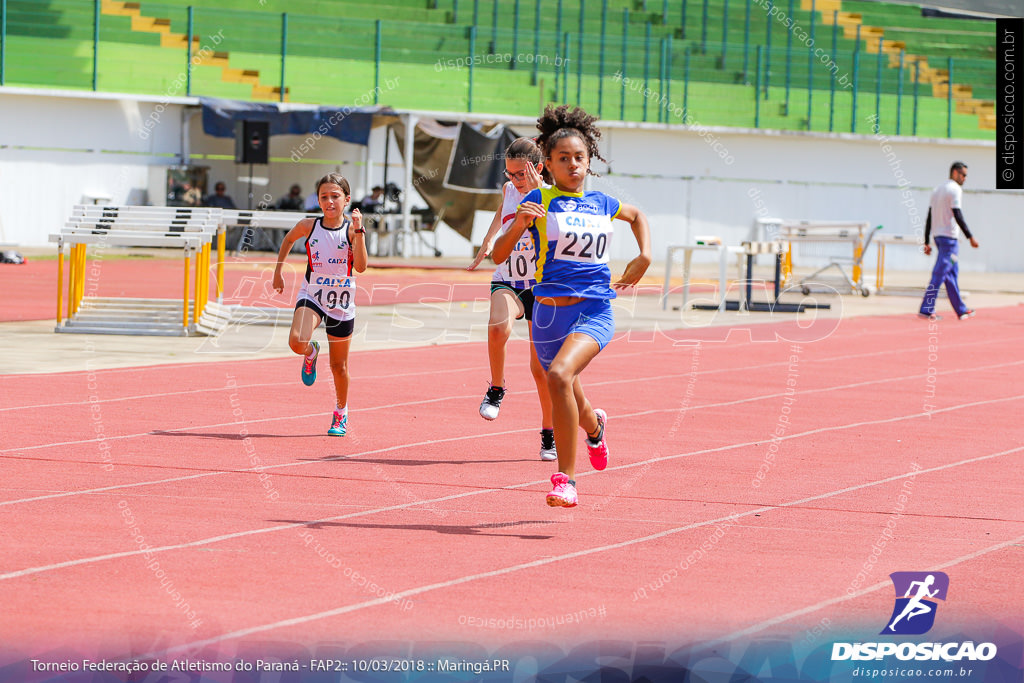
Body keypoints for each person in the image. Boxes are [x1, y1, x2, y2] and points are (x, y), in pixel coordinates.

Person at [493, 105, 651, 508]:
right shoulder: (538, 200)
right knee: (571, 394)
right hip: (547, 316)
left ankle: (566, 481)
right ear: (547, 164)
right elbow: (498, 255)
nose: (573, 165)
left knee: (561, 376)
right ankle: (596, 430)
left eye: (579, 158)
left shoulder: (602, 203)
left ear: (589, 161)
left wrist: (644, 258)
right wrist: (518, 223)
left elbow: (637, 216)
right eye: (563, 159)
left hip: (594, 311)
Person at [468, 138, 556, 461]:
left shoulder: (551, 196)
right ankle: (497, 387)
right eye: (510, 173)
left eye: (521, 174)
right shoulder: (508, 191)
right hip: (507, 279)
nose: (515, 180)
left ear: (538, 168)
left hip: (542, 287)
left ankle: (549, 434)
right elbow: (500, 212)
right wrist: (489, 240)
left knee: (540, 368)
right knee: (497, 328)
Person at [272, 173, 368, 436]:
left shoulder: (352, 229)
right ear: (318, 200)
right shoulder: (308, 226)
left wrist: (359, 231)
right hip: (312, 295)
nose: (329, 201)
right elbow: (288, 239)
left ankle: (341, 413)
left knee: (339, 367)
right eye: (324, 197)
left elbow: (360, 267)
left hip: (341, 303)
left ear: (346, 200)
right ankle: (310, 351)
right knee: (295, 341)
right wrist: (278, 271)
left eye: (335, 196)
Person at [918, 161, 978, 321]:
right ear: (955, 173)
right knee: (939, 273)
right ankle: (926, 308)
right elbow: (957, 214)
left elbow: (929, 217)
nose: (965, 179)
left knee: (951, 274)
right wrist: (970, 236)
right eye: (963, 175)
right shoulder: (954, 189)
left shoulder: (937, 189)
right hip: (949, 239)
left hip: (938, 237)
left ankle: (961, 310)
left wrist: (926, 240)